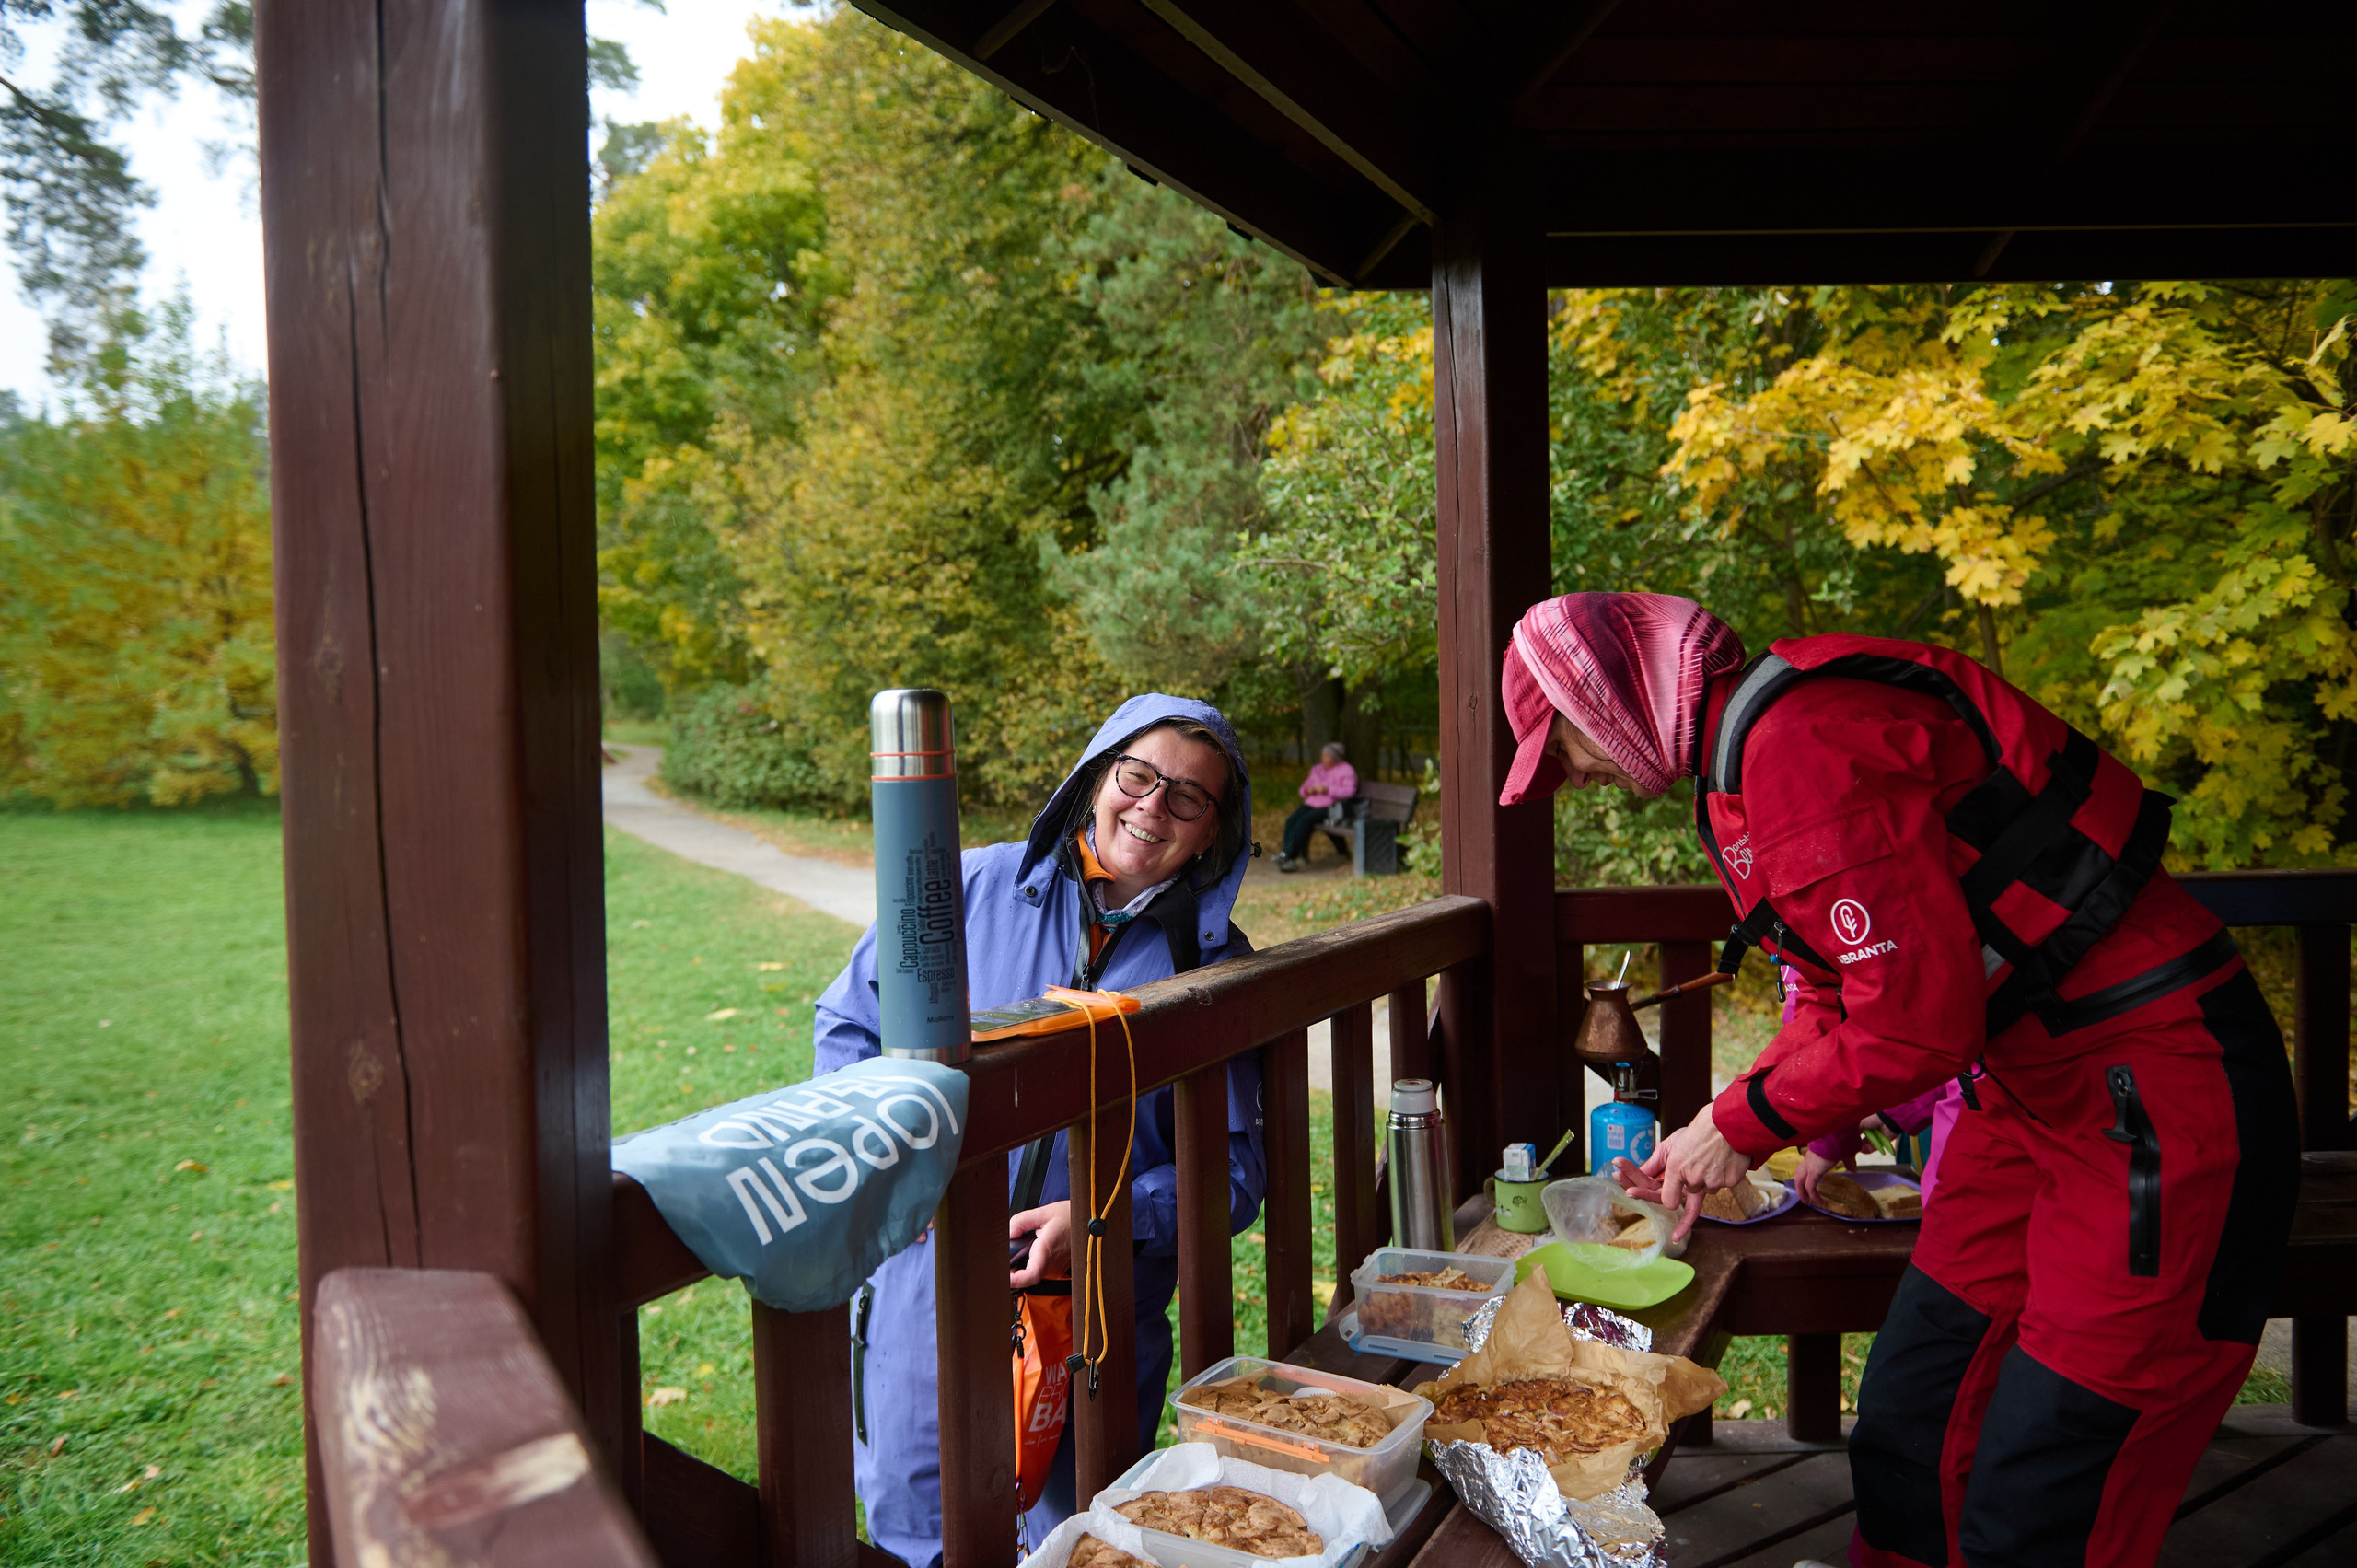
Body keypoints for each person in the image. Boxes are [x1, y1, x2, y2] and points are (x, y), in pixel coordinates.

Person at [1496, 592, 2297, 1568]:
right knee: (1913, 1412)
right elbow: (1833, 992)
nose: (1573, 772)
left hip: (2158, 1096)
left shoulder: (1797, 739)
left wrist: (1739, 1123)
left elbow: (1919, 1021)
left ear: (1609, 690)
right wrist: (1727, 1125)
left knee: (2049, 1482)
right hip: (2024, 1098)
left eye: (1562, 738)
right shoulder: (1739, 765)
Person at [815, 694, 1268, 1567]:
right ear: (1096, 779)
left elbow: (1238, 1174)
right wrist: (889, 1159)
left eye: (1187, 797)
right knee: (924, 1522)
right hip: (930, 1277)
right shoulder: (964, 887)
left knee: (1088, 1534)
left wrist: (1104, 1217)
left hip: (1100, 1311)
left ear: (1214, 831)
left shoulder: (1216, 967)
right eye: (1137, 776)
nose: (1152, 806)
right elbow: (848, 1028)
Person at [1276, 740, 1358, 871]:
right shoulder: (1317, 769)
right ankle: (1286, 852)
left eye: (1326, 756)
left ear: (1335, 758)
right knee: (1292, 820)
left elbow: (1350, 792)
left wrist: (1327, 790)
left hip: (1331, 807)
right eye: (1323, 755)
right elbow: (1303, 788)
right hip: (1311, 803)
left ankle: (1290, 856)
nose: (1323, 758)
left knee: (1304, 822)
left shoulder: (1346, 770)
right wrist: (1307, 790)